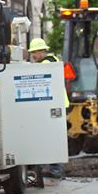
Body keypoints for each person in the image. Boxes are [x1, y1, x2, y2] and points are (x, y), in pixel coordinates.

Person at [27, 38, 67, 186]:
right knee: (53, 136)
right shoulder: (53, 60)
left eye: (34, 53)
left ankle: (56, 169)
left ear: (41, 51)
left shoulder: (46, 64)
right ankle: (55, 169)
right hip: (58, 104)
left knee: (50, 137)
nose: (33, 56)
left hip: (53, 105)